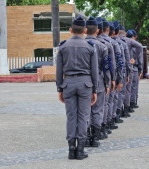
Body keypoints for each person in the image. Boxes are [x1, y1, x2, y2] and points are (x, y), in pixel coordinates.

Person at [56, 15, 99, 160]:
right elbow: (94, 71)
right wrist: (95, 90)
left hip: (68, 83)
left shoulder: (63, 46)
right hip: (85, 84)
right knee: (83, 116)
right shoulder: (90, 46)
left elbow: (59, 70)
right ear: (85, 30)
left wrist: (59, 89)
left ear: (70, 30)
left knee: (71, 117)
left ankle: (71, 149)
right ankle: (80, 150)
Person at [85, 16, 111, 147]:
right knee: (98, 109)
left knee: (85, 110)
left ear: (85, 31)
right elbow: (107, 67)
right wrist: (108, 82)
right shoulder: (103, 46)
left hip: (84, 81)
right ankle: (95, 137)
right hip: (99, 81)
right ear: (97, 31)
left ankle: (86, 134)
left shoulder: (81, 45)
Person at [95, 17, 116, 137]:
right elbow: (110, 65)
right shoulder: (107, 44)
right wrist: (111, 79)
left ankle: (87, 136)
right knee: (103, 104)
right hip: (101, 79)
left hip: (84, 81)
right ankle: (101, 129)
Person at [119, 29, 142, 116]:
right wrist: (133, 59)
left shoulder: (114, 40)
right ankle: (126, 109)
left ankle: (117, 112)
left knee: (117, 92)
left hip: (116, 68)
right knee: (129, 89)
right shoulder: (130, 42)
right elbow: (140, 47)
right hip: (129, 67)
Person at [112, 20, 131, 123]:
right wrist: (126, 74)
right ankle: (117, 115)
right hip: (118, 73)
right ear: (117, 32)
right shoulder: (121, 44)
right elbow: (125, 61)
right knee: (119, 94)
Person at [108, 21, 124, 128]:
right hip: (109, 77)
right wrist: (118, 79)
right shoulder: (114, 44)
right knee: (110, 100)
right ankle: (110, 122)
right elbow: (118, 63)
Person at [130, 29, 143, 111]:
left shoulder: (125, 43)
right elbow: (140, 59)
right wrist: (141, 70)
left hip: (127, 67)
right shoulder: (137, 46)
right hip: (135, 68)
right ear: (135, 37)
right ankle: (133, 103)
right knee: (134, 87)